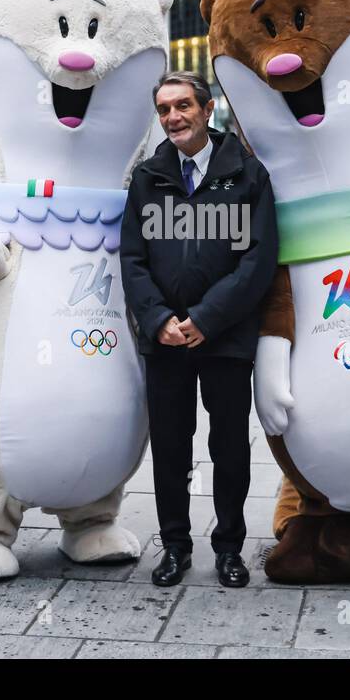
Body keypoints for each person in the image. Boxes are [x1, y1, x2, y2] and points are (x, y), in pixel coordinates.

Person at [121, 71, 278, 589]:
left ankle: (230, 548)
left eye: (183, 106)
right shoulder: (149, 176)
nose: (173, 118)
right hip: (164, 341)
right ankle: (174, 547)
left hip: (225, 338)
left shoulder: (247, 174)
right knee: (170, 447)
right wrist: (158, 320)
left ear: (207, 110)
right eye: (164, 109)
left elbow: (257, 260)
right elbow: (133, 258)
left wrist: (207, 318)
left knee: (229, 447)